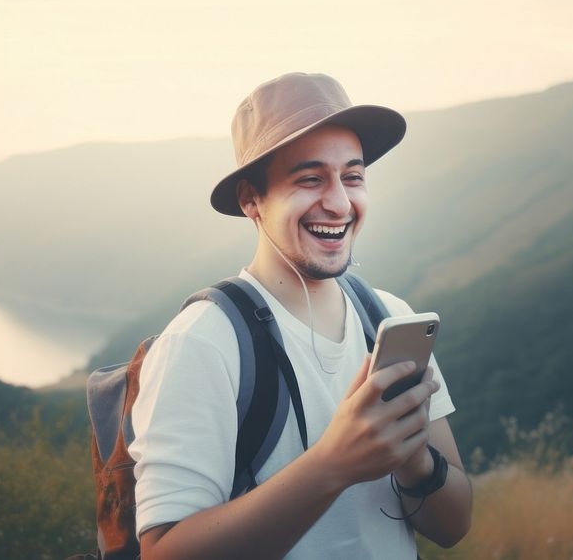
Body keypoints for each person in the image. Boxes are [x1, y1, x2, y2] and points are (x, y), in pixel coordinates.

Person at [128, 72, 473, 559]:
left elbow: (454, 526)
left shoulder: (388, 319)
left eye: (352, 176)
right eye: (310, 178)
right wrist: (334, 464)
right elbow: (163, 552)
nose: (338, 202)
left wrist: (414, 460)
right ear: (252, 200)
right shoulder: (203, 342)